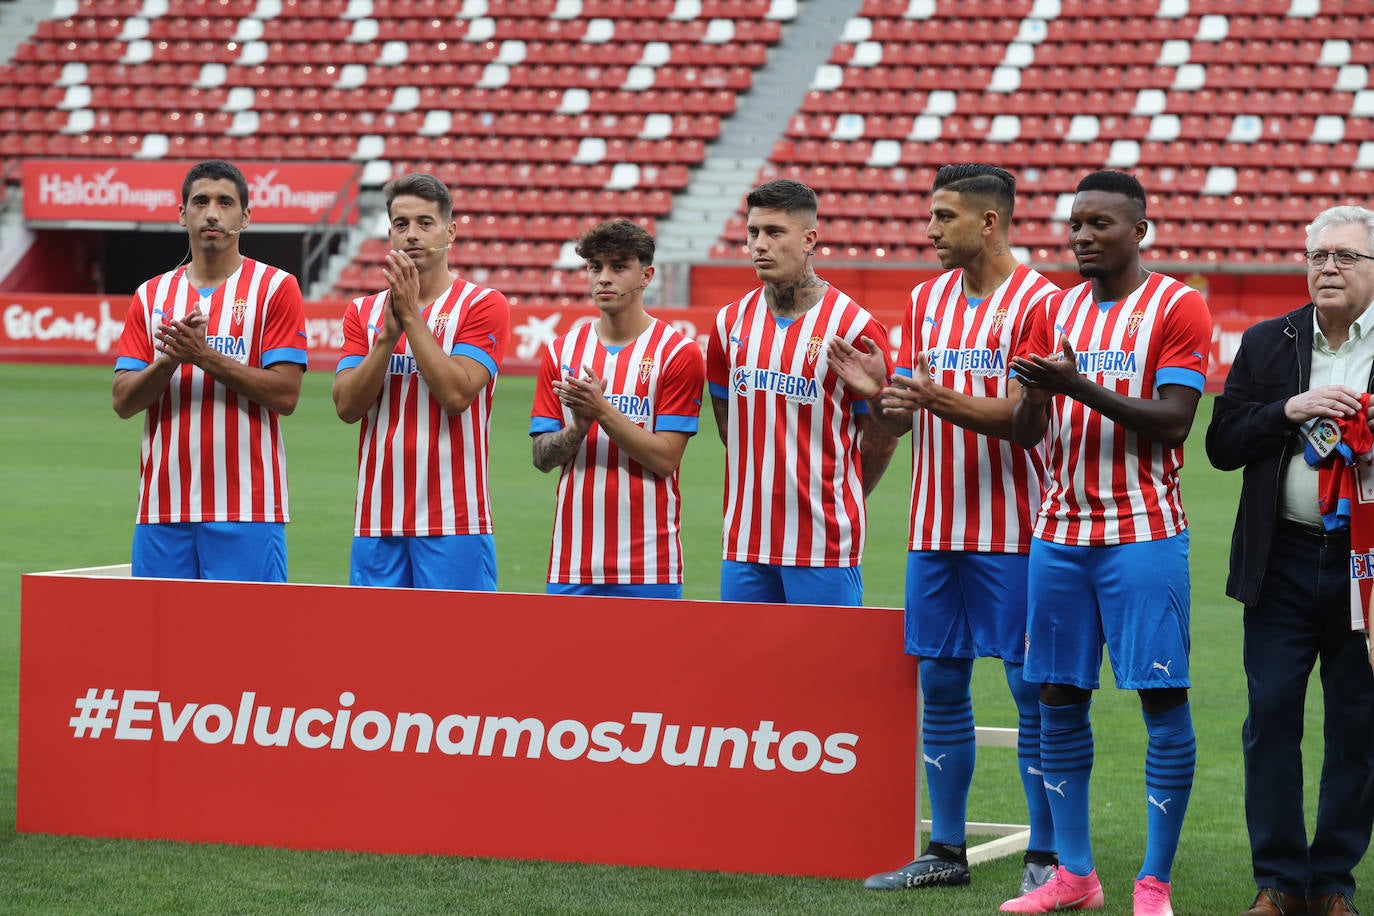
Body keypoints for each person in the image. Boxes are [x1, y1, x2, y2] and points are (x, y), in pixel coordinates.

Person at [829, 164, 1059, 896]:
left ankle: (1047, 854)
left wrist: (931, 395)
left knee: (1031, 689)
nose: (928, 231)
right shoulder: (927, 300)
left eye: (943, 217)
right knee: (939, 679)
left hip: (1017, 528)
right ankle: (947, 850)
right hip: (935, 526)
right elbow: (907, 411)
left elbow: (1029, 421)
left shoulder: (1039, 303)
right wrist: (882, 398)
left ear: (989, 223)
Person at [999, 170, 1212, 916]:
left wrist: (1078, 385)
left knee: (1161, 697)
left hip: (1143, 535)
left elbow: (1175, 420)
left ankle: (1153, 884)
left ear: (1139, 230)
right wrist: (1033, 394)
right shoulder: (1051, 310)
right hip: (1057, 536)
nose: (1084, 237)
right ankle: (1075, 874)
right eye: (1076, 225)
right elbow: (1027, 432)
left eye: (1100, 224)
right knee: (1056, 697)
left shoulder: (1177, 306)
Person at [1206, 206, 1374, 916]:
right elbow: (1221, 444)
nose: (1327, 268)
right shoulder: (1266, 343)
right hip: (1281, 561)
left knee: (1357, 725)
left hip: (1367, 570)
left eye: (1345, 257)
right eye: (1318, 256)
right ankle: (1277, 880)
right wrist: (1288, 409)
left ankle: (1331, 882)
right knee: (1270, 716)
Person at [112, 158, 306, 582]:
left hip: (248, 508)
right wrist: (168, 362)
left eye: (225, 202)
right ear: (183, 214)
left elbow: (285, 396)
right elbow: (123, 401)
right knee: (163, 644)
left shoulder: (275, 287)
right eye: (200, 202)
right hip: (163, 506)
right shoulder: (151, 294)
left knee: (247, 641)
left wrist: (204, 357)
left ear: (246, 216)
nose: (212, 213)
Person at [705, 178, 896, 606]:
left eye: (774, 233)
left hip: (824, 543)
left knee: (824, 672)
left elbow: (883, 437)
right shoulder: (728, 324)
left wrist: (842, 497)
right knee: (746, 672)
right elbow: (728, 425)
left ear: (809, 239)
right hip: (744, 541)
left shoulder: (855, 326)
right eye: (753, 232)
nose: (759, 245)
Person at [332, 172, 510, 590]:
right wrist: (385, 340)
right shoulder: (362, 311)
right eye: (401, 224)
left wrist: (410, 317)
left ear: (449, 231)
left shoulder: (483, 305)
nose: (412, 234)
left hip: (455, 518)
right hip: (376, 520)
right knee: (377, 648)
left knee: (458, 649)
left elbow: (456, 395)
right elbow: (346, 408)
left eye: (425, 223)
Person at [529, 219, 705, 597]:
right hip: (571, 562)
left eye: (619, 266)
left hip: (649, 567)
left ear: (646, 275)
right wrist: (577, 428)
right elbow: (542, 459)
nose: (604, 278)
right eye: (595, 267)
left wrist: (602, 412)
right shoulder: (562, 351)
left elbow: (665, 459)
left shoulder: (677, 353)